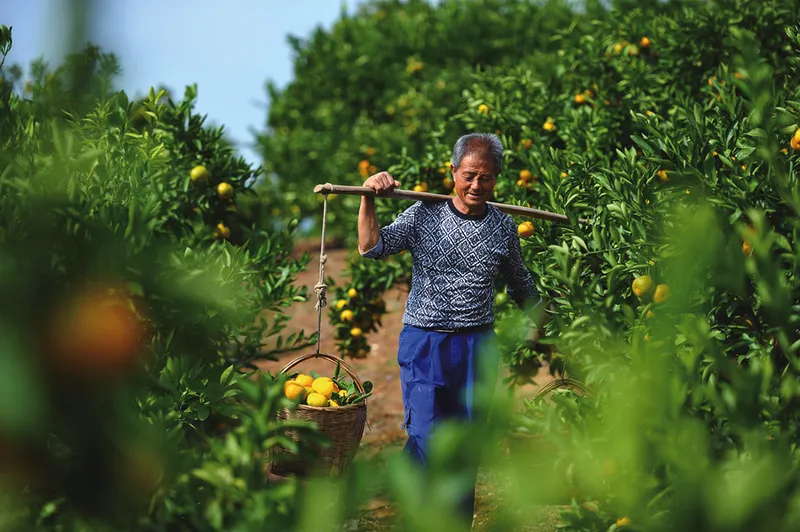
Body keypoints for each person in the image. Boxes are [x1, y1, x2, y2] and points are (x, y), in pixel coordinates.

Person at [357, 132, 543, 524]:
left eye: (486, 178)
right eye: (469, 175)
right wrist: (368, 196)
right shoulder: (424, 213)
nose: (477, 185)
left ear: (497, 178)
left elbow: (520, 282)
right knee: (425, 436)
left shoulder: (503, 227)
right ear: (453, 172)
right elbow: (371, 246)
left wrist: (548, 319)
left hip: (478, 345)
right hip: (425, 341)